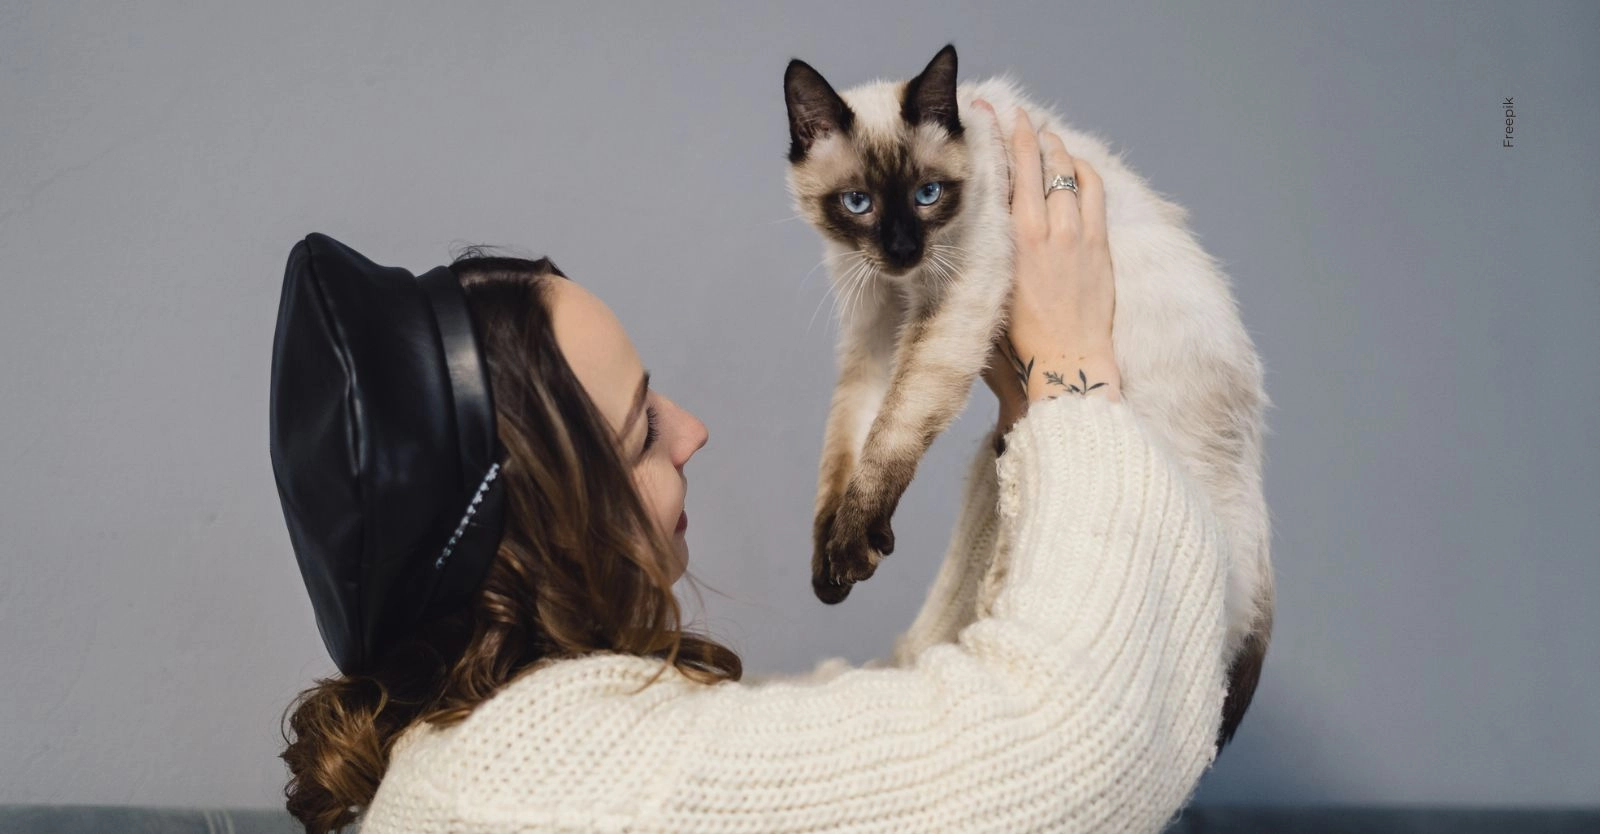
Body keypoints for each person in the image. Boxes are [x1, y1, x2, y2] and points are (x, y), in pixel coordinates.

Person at [270, 102, 1229, 833]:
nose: (691, 432)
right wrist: (1073, 368)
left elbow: (909, 737)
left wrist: (1025, 420)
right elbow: (1068, 761)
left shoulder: (498, 750)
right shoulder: (560, 787)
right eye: (642, 428)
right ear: (542, 520)